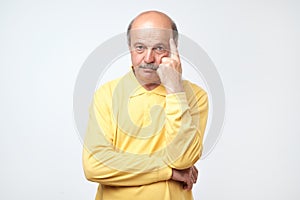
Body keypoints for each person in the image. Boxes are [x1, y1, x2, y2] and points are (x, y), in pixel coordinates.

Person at [83, 10, 209, 200]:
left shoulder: (195, 96)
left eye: (159, 48)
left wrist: (175, 89)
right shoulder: (106, 95)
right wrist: (169, 171)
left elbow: (182, 159)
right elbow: (94, 166)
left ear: (174, 49)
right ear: (129, 47)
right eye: (140, 47)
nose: (148, 59)